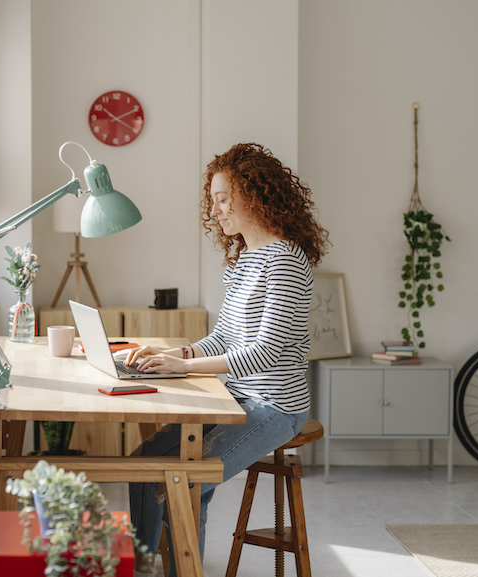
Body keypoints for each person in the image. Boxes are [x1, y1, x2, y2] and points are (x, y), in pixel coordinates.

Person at [127, 143, 329, 576]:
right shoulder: (242, 261)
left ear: (255, 195)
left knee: (188, 480)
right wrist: (172, 355)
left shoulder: (287, 262)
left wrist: (184, 368)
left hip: (274, 406)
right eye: (213, 201)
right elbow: (224, 338)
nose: (216, 211)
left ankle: (185, 569)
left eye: (223, 199)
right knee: (144, 464)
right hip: (233, 396)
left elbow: (265, 352)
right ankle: (145, 567)